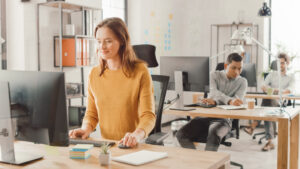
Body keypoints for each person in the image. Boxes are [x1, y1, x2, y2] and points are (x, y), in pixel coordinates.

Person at [69, 17, 156, 148]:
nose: (102, 47)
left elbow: (148, 115)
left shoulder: (140, 71)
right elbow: (92, 114)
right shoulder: (94, 74)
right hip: (107, 146)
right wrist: (85, 129)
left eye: (108, 41)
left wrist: (136, 135)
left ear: (122, 41)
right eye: (99, 42)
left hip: (135, 144)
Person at [176, 53, 248, 151]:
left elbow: (236, 103)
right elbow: (214, 92)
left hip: (223, 119)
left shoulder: (242, 82)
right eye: (233, 68)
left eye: (240, 68)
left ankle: (209, 165)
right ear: (226, 66)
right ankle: (198, 161)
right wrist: (229, 100)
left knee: (213, 133)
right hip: (205, 115)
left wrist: (216, 102)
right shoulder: (214, 75)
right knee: (181, 134)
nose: (237, 72)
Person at [243, 53, 294, 151]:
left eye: (283, 63)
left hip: (282, 102)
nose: (280, 65)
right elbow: (263, 85)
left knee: (267, 101)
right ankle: (270, 142)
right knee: (268, 106)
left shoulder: (291, 76)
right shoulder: (272, 74)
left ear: (288, 63)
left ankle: (253, 125)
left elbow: (290, 90)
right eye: (279, 63)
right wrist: (267, 88)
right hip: (270, 100)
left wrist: (274, 90)